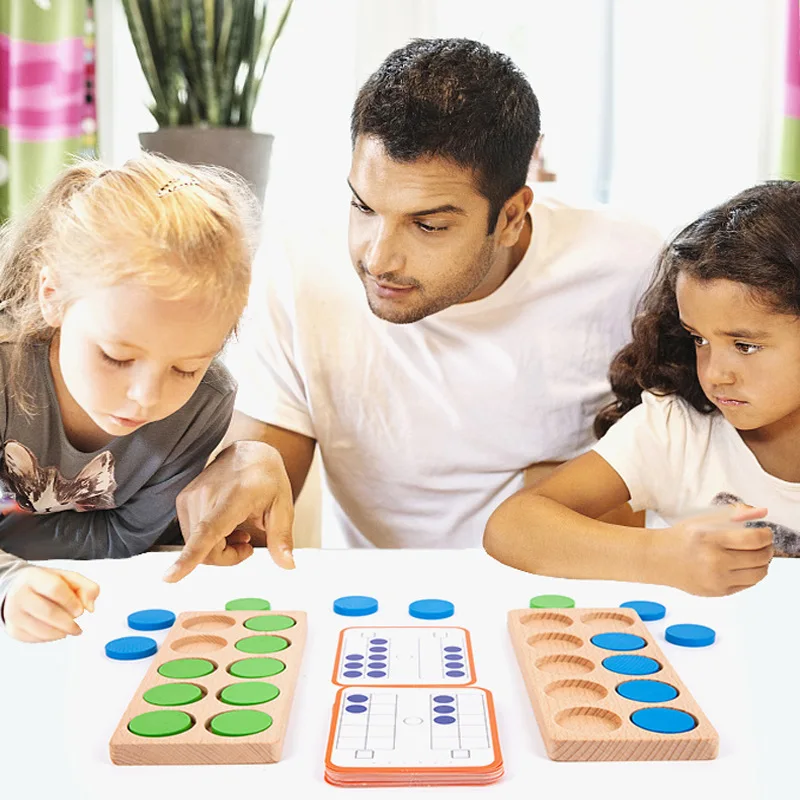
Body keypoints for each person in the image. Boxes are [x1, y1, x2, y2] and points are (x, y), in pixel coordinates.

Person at [167, 38, 663, 581]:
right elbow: (261, 486)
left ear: (512, 217)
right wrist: (243, 470)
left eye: (428, 225)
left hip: (561, 596)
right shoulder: (297, 264)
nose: (377, 258)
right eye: (363, 206)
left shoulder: (629, 267)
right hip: (375, 600)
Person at [483, 181, 800, 597]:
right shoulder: (676, 429)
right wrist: (659, 555)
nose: (716, 374)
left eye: (745, 345)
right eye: (699, 339)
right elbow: (512, 526)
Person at [0, 152, 267, 641]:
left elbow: (127, 537)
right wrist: (7, 580)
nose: (146, 398)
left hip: (105, 612)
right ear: (52, 295)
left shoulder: (205, 402)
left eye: (186, 368)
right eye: (117, 358)